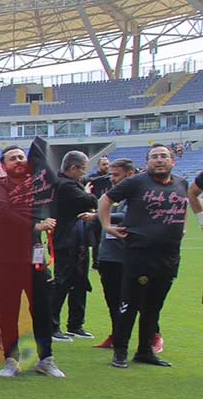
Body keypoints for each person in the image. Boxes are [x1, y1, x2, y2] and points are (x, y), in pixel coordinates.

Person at [101, 144, 189, 368]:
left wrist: (183, 227)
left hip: (169, 256)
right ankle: (120, 351)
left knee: (153, 307)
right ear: (147, 162)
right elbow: (105, 200)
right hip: (140, 254)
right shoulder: (135, 182)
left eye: (164, 156)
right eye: (154, 156)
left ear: (172, 161)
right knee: (130, 305)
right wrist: (107, 225)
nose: (159, 160)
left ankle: (145, 351)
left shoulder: (181, 183)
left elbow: (183, 207)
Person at [0, 140, 64, 379]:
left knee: (42, 310)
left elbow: (57, 198)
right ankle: (11, 360)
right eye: (13, 158)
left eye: (21, 157)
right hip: (5, 259)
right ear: (3, 165)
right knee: (7, 311)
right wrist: (34, 225)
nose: (19, 161)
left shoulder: (38, 185)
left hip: (34, 258)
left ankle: (46, 359)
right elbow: (1, 212)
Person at [50, 151, 98, 340]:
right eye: (83, 169)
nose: (84, 173)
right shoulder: (65, 185)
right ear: (73, 168)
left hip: (78, 240)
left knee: (80, 282)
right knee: (62, 283)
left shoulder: (69, 183)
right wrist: (87, 193)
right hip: (66, 241)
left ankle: (76, 324)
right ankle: (52, 326)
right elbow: (90, 201)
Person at [93, 158, 135, 349]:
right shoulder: (110, 196)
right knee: (112, 299)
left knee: (136, 300)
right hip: (108, 255)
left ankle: (153, 335)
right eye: (111, 174)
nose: (112, 179)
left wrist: (97, 215)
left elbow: (126, 216)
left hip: (126, 256)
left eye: (116, 175)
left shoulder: (135, 195)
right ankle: (115, 334)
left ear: (130, 174)